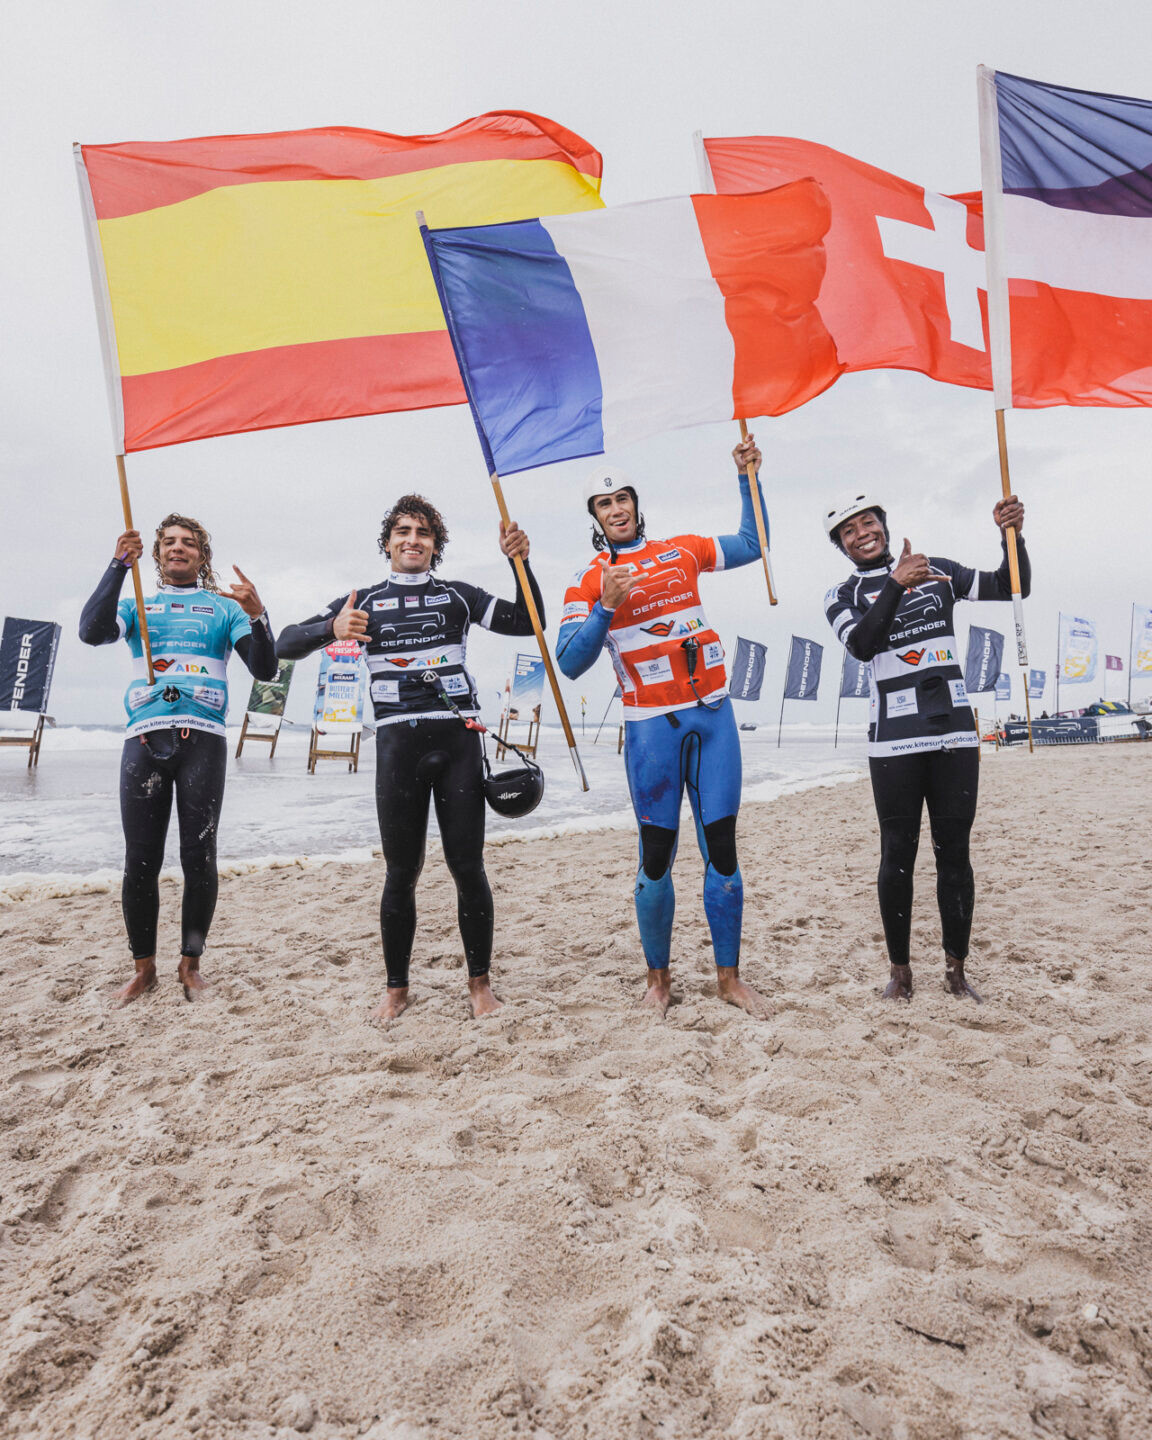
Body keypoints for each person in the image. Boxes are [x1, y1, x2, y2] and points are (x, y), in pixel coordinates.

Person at [277, 494, 543, 1022]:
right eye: (403, 531)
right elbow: (285, 644)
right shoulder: (362, 602)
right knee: (402, 871)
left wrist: (520, 563)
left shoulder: (459, 596)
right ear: (388, 543)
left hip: (456, 743)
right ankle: (396, 989)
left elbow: (527, 620)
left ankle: (480, 985)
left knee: (467, 867)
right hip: (398, 747)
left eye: (423, 532)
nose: (412, 540)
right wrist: (330, 630)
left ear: (435, 545)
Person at [556, 436, 771, 1019]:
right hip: (652, 728)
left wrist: (747, 478)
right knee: (656, 857)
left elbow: (754, 543)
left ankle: (729, 979)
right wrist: (605, 606)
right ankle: (659, 981)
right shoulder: (589, 579)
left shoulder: (682, 551)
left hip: (713, 716)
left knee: (721, 848)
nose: (616, 509)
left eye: (623, 498)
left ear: (636, 503)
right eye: (605, 504)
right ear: (595, 517)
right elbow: (570, 662)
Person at [822, 491, 1030, 1002]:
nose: (862, 534)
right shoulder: (842, 594)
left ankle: (956, 972)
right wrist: (896, 583)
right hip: (893, 742)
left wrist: (1012, 536)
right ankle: (901, 974)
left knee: (954, 854)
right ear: (841, 545)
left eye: (868, 522)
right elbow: (863, 645)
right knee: (897, 853)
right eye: (849, 531)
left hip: (954, 733)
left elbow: (1012, 585)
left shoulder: (938, 570)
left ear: (884, 525)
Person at [79, 515, 277, 1004]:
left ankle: (191, 966)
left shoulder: (223, 609)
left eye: (188, 543)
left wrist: (258, 616)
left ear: (201, 555)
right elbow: (91, 632)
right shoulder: (137, 604)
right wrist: (118, 565)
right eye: (168, 542)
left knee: (199, 856)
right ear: (157, 553)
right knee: (139, 860)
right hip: (144, 740)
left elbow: (265, 669)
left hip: (203, 740)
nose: (177, 548)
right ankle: (143, 969)